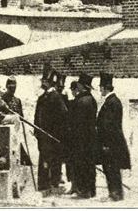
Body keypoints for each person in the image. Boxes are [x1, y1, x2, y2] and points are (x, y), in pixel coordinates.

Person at [33, 65, 68, 196]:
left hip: (52, 138)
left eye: (44, 81)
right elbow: (37, 116)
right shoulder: (42, 98)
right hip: (43, 137)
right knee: (44, 160)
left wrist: (56, 133)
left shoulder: (57, 97)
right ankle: (43, 185)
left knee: (54, 160)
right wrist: (37, 131)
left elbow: (63, 117)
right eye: (42, 80)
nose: (42, 82)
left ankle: (54, 184)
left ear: (49, 82)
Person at [96, 72, 130, 202]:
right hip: (112, 143)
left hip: (111, 144)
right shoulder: (112, 101)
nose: (100, 90)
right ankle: (114, 193)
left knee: (112, 169)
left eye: (101, 87)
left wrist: (106, 144)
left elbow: (109, 126)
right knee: (110, 168)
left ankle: (115, 194)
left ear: (104, 88)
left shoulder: (112, 102)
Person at [71, 72, 97, 199]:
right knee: (90, 164)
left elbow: (77, 122)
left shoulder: (81, 101)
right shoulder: (92, 99)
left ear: (82, 86)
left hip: (80, 139)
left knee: (81, 164)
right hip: (90, 138)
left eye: (79, 84)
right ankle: (91, 190)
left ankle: (83, 190)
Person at [65, 80, 78, 195]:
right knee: (71, 164)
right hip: (72, 138)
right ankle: (74, 186)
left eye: (72, 90)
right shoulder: (73, 102)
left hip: (73, 138)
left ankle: (75, 186)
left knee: (73, 163)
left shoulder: (75, 102)